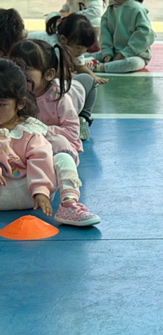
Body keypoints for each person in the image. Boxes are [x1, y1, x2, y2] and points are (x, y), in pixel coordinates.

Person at [10, 38, 100, 225]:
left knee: (60, 145)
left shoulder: (58, 97)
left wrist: (37, 130)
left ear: (49, 74)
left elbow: (71, 132)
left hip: (56, 142)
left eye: (27, 69)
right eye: (16, 66)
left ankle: (69, 203)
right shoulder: (14, 94)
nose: (20, 73)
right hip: (30, 146)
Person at [29, 13, 106, 140]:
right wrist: (74, 75)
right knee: (85, 83)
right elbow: (59, 73)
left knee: (88, 81)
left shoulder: (71, 45)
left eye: (86, 48)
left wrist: (94, 76)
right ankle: (83, 117)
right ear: (63, 39)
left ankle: (81, 119)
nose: (82, 52)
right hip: (42, 87)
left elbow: (80, 66)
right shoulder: (55, 48)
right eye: (79, 48)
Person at [0, 59, 58, 219]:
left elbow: (40, 159)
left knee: (62, 160)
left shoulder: (29, 131)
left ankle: (70, 201)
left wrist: (40, 191)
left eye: (1, 104)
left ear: (20, 104)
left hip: (27, 192)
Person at [85, 0, 154, 74]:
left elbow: (146, 34)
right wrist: (107, 52)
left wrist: (126, 52)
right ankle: (79, 62)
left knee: (133, 63)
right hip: (113, 53)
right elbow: (105, 34)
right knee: (89, 55)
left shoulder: (137, 9)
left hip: (136, 55)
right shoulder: (110, 9)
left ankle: (99, 67)